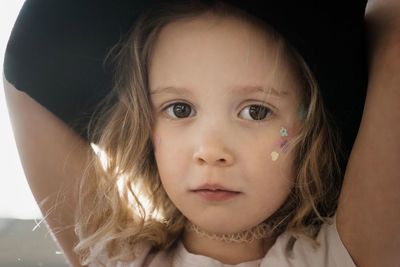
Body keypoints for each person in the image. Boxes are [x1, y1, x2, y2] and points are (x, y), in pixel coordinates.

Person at [3, 0, 399, 266]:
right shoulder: (122, 260)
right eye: (179, 109)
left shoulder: (345, 254)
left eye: (256, 110)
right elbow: (25, 77)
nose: (211, 151)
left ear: (310, 130)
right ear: (143, 126)